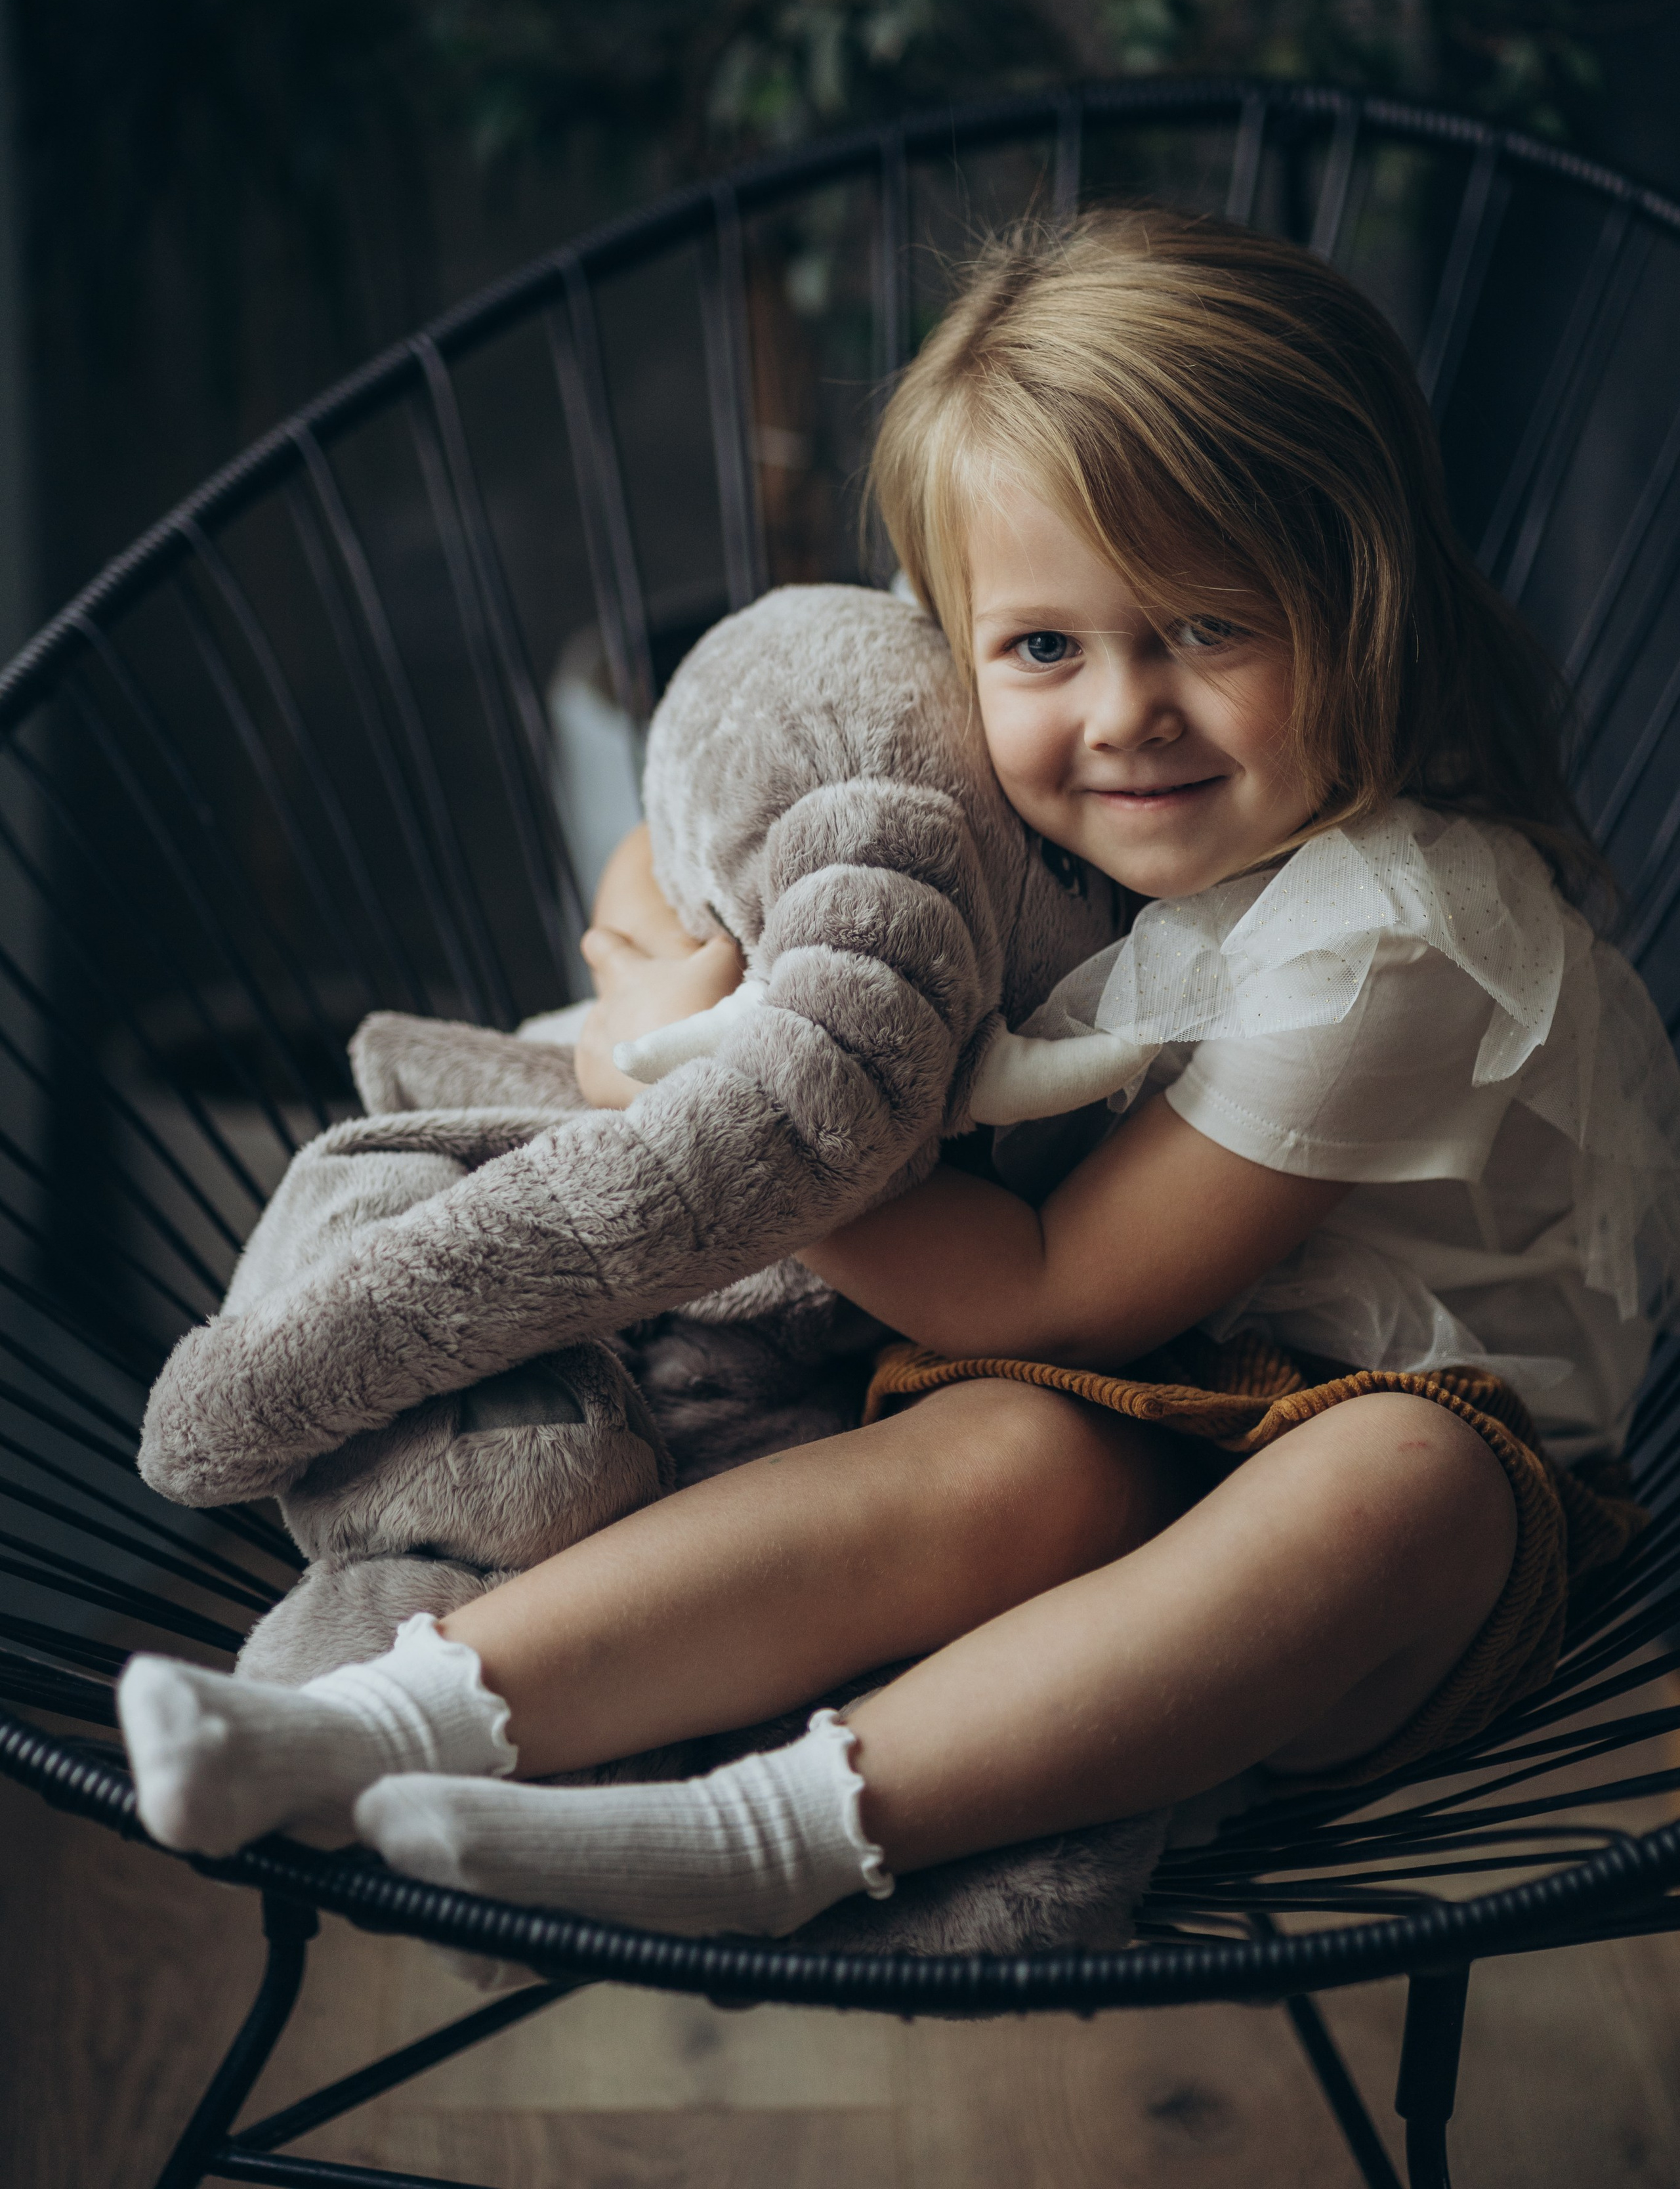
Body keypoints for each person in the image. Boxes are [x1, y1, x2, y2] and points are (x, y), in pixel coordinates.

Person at [116, 212, 1679, 1940]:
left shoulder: (1393, 936)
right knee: (1020, 1451)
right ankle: (371, 1726)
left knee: (1401, 1478)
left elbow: (1056, 1291)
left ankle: (762, 1841)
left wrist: (694, 1100)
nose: (1122, 712)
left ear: (1366, 601)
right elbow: (714, 817)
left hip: (1394, 1522)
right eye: (1046, 649)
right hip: (1094, 1408)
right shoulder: (1003, 721)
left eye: (1209, 627)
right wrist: (660, 960)